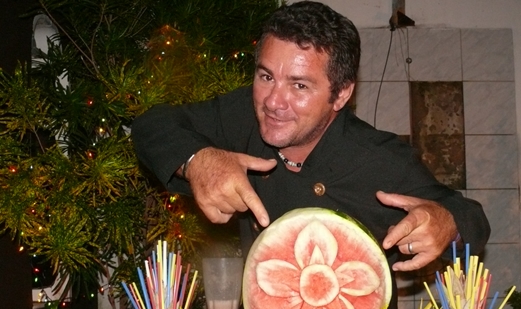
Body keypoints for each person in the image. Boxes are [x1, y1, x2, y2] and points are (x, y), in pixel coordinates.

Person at [132, 1, 490, 279]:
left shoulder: (380, 158)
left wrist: (446, 223)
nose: (273, 101)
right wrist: (199, 161)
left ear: (341, 94)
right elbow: (153, 125)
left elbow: (471, 218)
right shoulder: (242, 116)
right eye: (266, 77)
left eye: (300, 85)